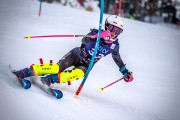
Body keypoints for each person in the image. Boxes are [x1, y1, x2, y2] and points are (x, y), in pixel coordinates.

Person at [15, 15, 133, 86]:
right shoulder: (96, 33)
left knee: (76, 74)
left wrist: (125, 72)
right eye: (112, 28)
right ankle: (26, 72)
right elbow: (84, 41)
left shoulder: (115, 45)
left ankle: (48, 80)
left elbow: (117, 59)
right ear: (107, 26)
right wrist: (98, 37)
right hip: (76, 54)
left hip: (87, 65)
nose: (114, 33)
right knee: (55, 68)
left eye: (118, 31)